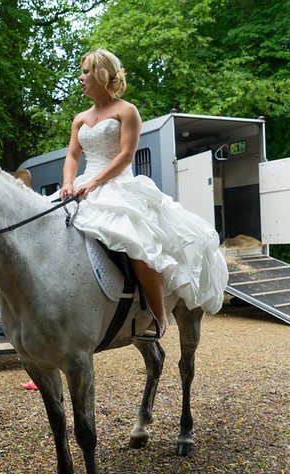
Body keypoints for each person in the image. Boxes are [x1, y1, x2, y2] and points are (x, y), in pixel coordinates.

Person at [58, 49, 228, 338]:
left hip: (117, 183)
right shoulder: (79, 118)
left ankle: (158, 316)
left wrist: (95, 183)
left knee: (137, 239)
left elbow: (125, 156)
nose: (81, 77)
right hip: (85, 184)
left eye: (86, 71)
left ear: (101, 74)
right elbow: (73, 156)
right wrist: (68, 183)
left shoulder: (127, 111)